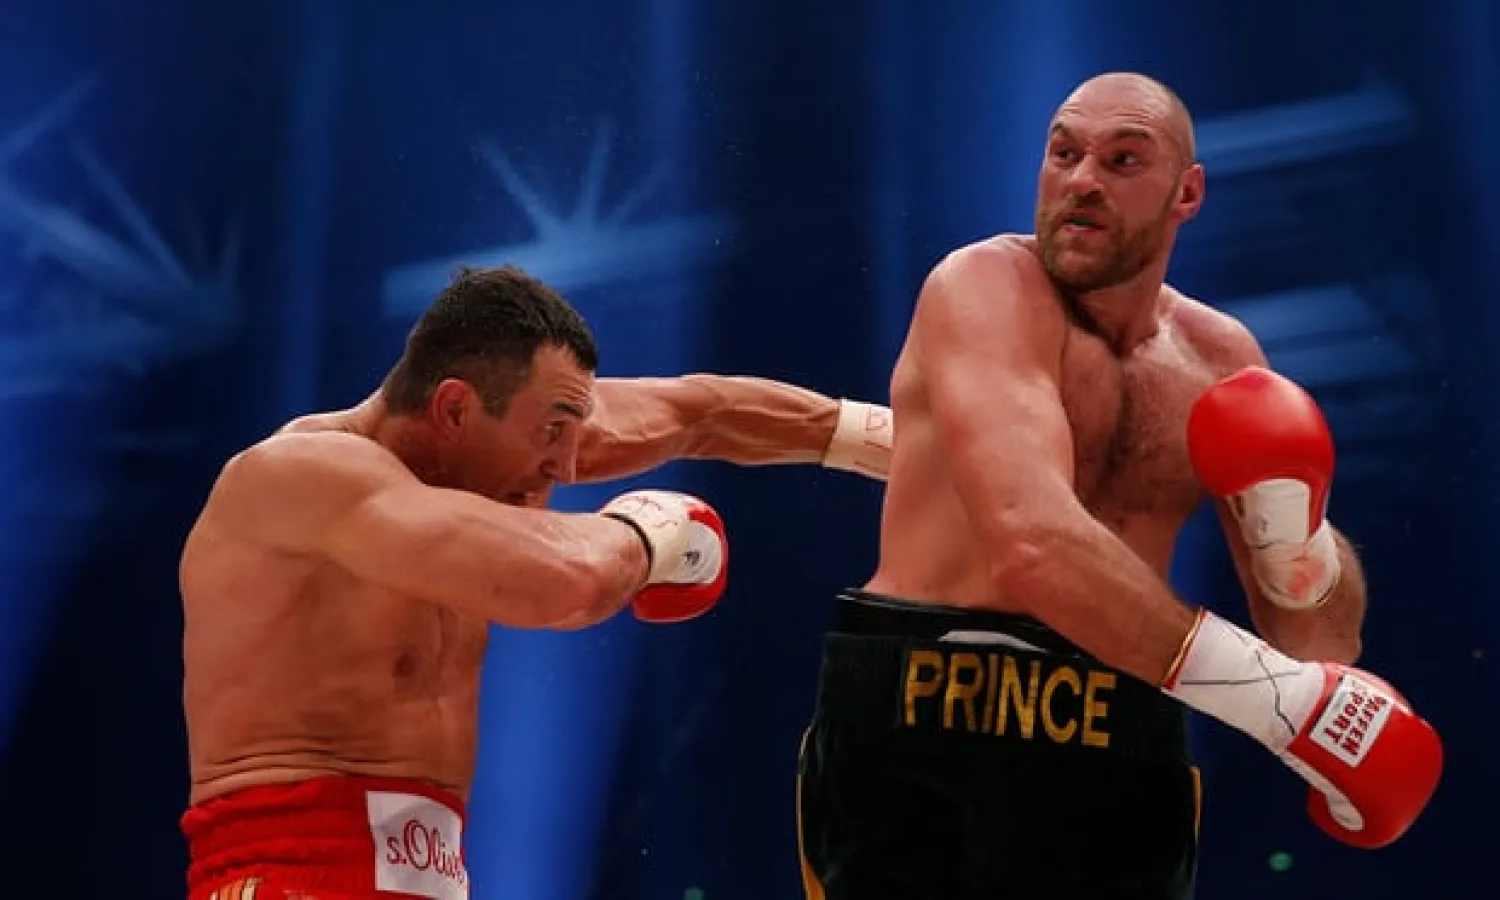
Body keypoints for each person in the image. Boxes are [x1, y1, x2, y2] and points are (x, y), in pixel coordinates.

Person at [795, 72, 1443, 900]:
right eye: (1063, 153)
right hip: (932, 700)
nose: (1082, 181)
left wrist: (1299, 548)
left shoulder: (1221, 360)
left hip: (1126, 721)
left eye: (1122, 159)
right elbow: (1034, 544)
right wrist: (1274, 699)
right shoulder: (985, 287)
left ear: (1187, 193)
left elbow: (1313, 647)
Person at [178, 264, 892, 900]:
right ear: (454, 409)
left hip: (431, 874)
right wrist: (652, 528)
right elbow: (565, 584)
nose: (566, 464)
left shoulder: (510, 444)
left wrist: (897, 444)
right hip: (284, 873)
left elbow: (698, 410)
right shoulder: (302, 478)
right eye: (550, 433)